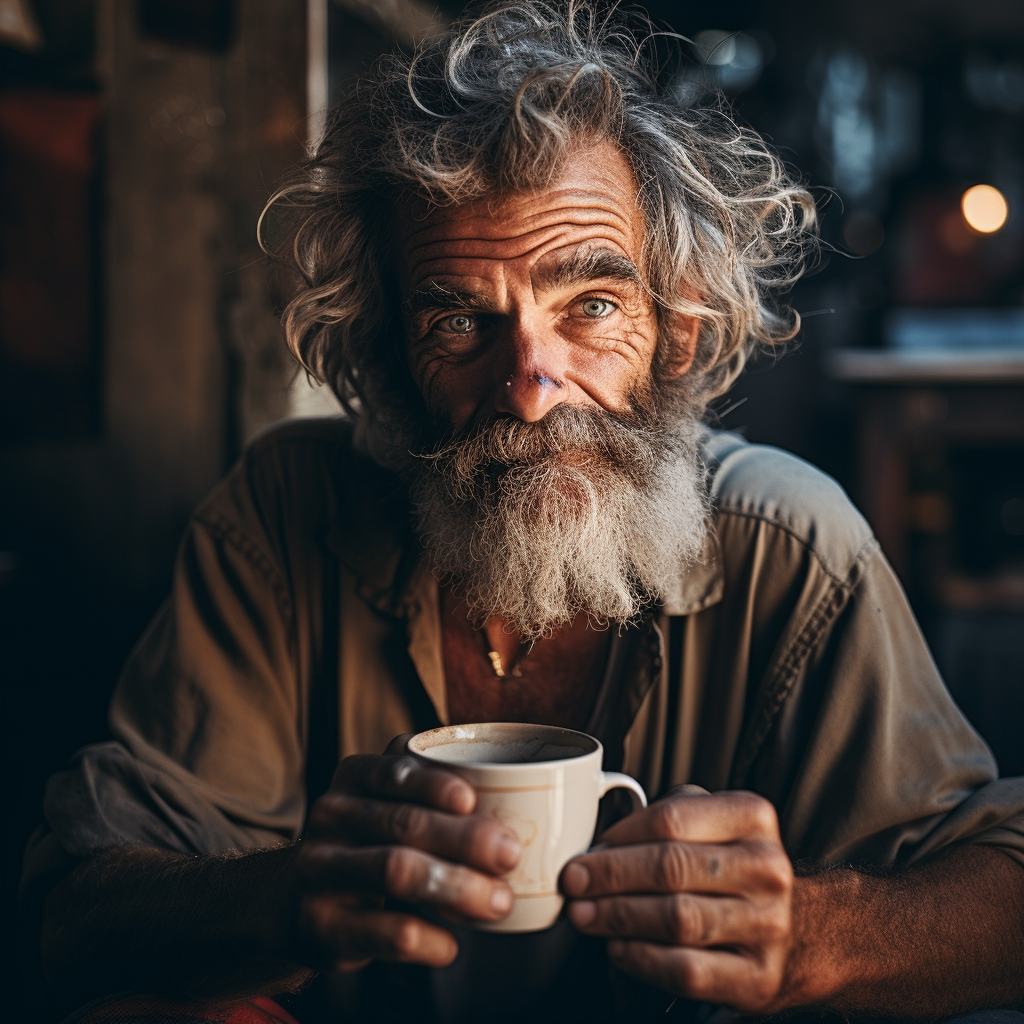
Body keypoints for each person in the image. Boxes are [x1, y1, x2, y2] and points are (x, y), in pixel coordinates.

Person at [23, 3, 1024, 1022]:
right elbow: (69, 916)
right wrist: (281, 899)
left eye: (590, 305)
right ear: (388, 363)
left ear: (674, 330)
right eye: (460, 320)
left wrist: (816, 936)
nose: (530, 388)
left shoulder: (794, 549)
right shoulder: (282, 518)